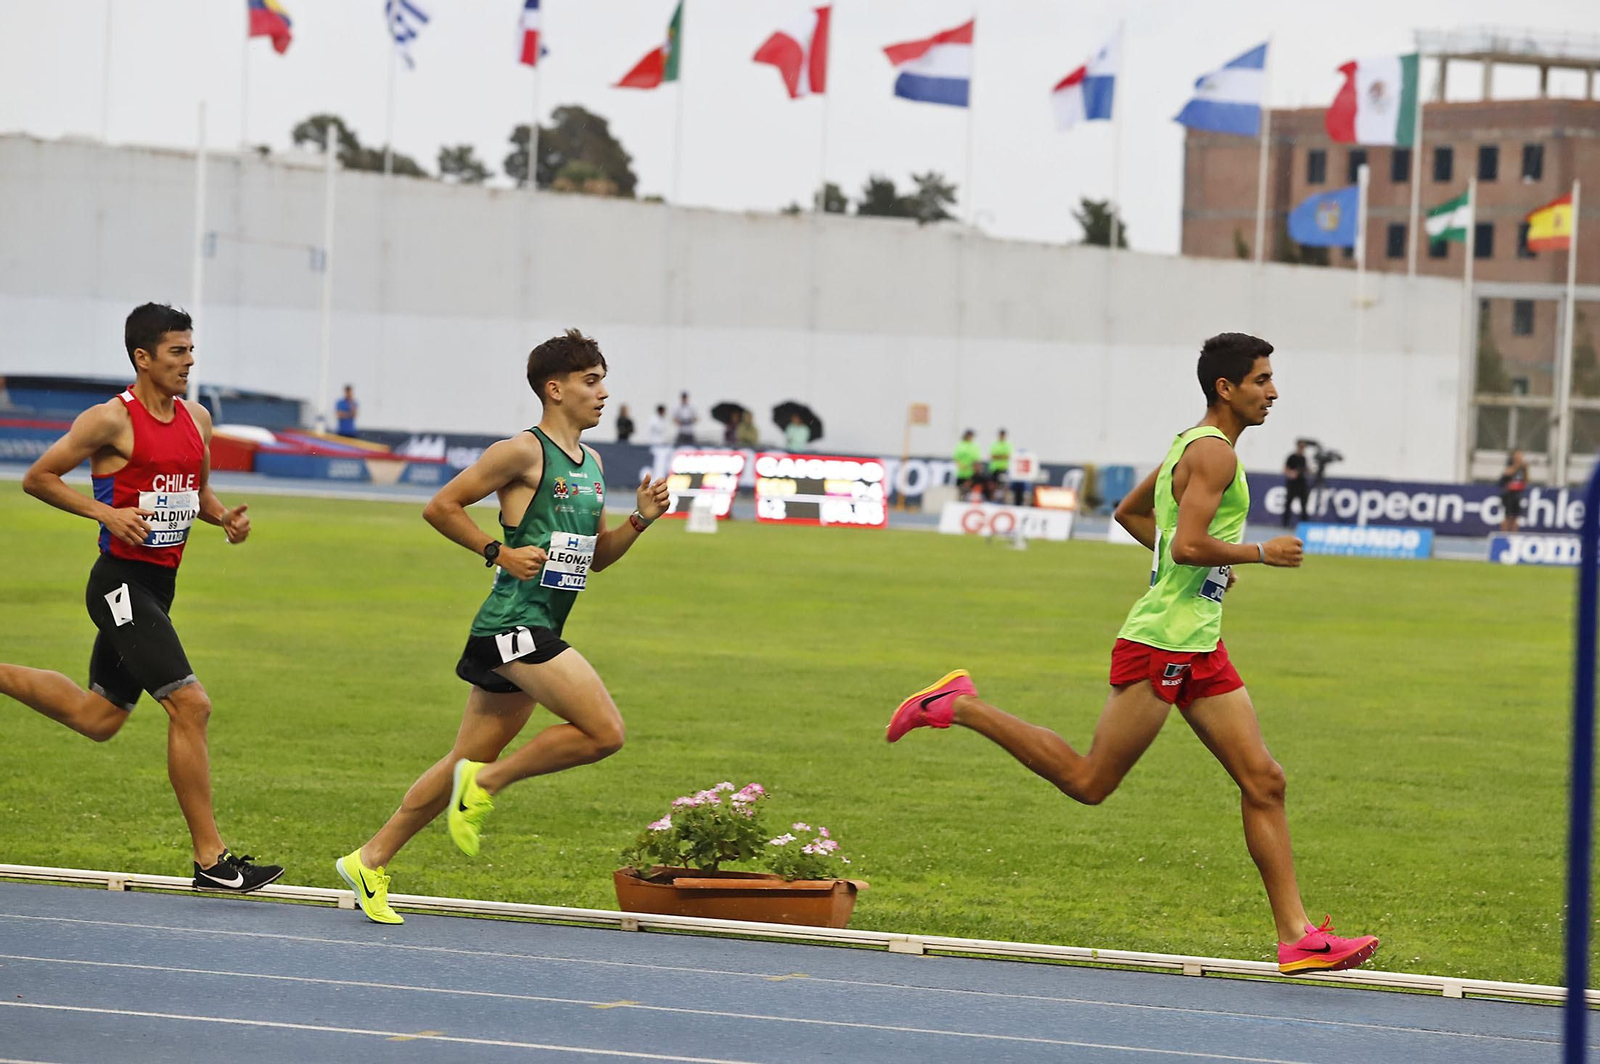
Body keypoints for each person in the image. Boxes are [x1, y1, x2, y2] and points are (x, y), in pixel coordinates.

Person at [887, 332, 1379, 976]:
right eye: (1262, 380)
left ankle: (1298, 938)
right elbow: (1186, 545)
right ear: (1225, 389)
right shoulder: (1215, 458)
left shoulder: (1192, 444)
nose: (1273, 392)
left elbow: (1130, 514)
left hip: (1198, 641)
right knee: (1091, 782)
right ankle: (961, 705)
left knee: (1265, 781)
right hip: (1163, 644)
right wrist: (1257, 553)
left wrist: (1204, 576)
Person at [335, 328, 672, 925]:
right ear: (555, 388)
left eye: (602, 380)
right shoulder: (521, 451)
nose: (604, 393)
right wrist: (498, 551)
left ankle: (370, 858)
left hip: (537, 621)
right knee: (604, 733)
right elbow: (440, 506)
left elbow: (594, 558)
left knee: (461, 757)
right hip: (513, 623)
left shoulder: (592, 464)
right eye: (591, 381)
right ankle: (486, 784)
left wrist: (639, 523)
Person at [0, 303, 281, 892]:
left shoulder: (197, 419)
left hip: (159, 585)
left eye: (191, 348)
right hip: (119, 584)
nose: (190, 360)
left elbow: (193, 489)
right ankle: (212, 860)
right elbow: (39, 477)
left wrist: (223, 516)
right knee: (191, 704)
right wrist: (105, 511)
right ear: (143, 357)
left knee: (96, 717)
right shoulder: (108, 421)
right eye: (177, 351)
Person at [1499, 450, 1529, 532]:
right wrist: (1517, 465)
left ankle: (1514, 536)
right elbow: (1507, 473)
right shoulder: (1510, 464)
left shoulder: (1523, 468)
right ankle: (1504, 535)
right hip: (1509, 495)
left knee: (1516, 517)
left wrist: (1525, 469)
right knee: (1507, 516)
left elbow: (1526, 480)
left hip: (1517, 494)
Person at [1282, 440, 1310, 528]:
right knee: (1288, 503)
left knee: (1304, 504)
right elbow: (1285, 468)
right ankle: (1285, 523)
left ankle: (1304, 524)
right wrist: (1291, 473)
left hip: (1301, 484)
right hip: (1292, 484)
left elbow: (1306, 469)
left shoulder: (1304, 458)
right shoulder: (1292, 457)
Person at [953, 430, 981, 498]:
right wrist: (961, 465)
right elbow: (956, 458)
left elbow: (976, 460)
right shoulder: (960, 445)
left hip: (970, 473)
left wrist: (975, 469)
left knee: (969, 490)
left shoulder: (974, 446)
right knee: (960, 490)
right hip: (961, 472)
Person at [989, 430, 1013, 503]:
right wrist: (1002, 456)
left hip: (1004, 468)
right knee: (993, 486)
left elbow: (1008, 456)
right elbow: (993, 456)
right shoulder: (995, 444)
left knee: (1004, 486)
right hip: (995, 468)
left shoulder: (1008, 445)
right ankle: (993, 499)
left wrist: (998, 456)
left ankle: (1004, 501)